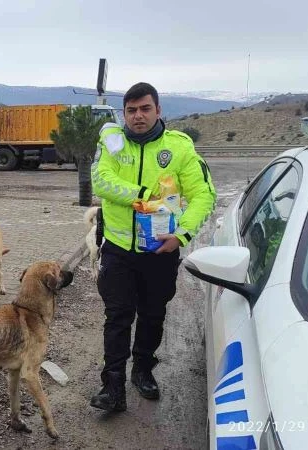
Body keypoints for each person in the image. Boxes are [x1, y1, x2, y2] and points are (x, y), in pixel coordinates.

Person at [89, 82, 216, 413]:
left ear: (158, 111)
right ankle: (112, 386)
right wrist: (144, 193)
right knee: (117, 316)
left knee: (152, 314)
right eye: (131, 110)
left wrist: (183, 235)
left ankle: (142, 370)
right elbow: (101, 181)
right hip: (117, 248)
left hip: (160, 251)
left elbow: (204, 195)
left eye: (145, 108)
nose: (138, 116)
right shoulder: (112, 142)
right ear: (124, 113)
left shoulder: (179, 148)